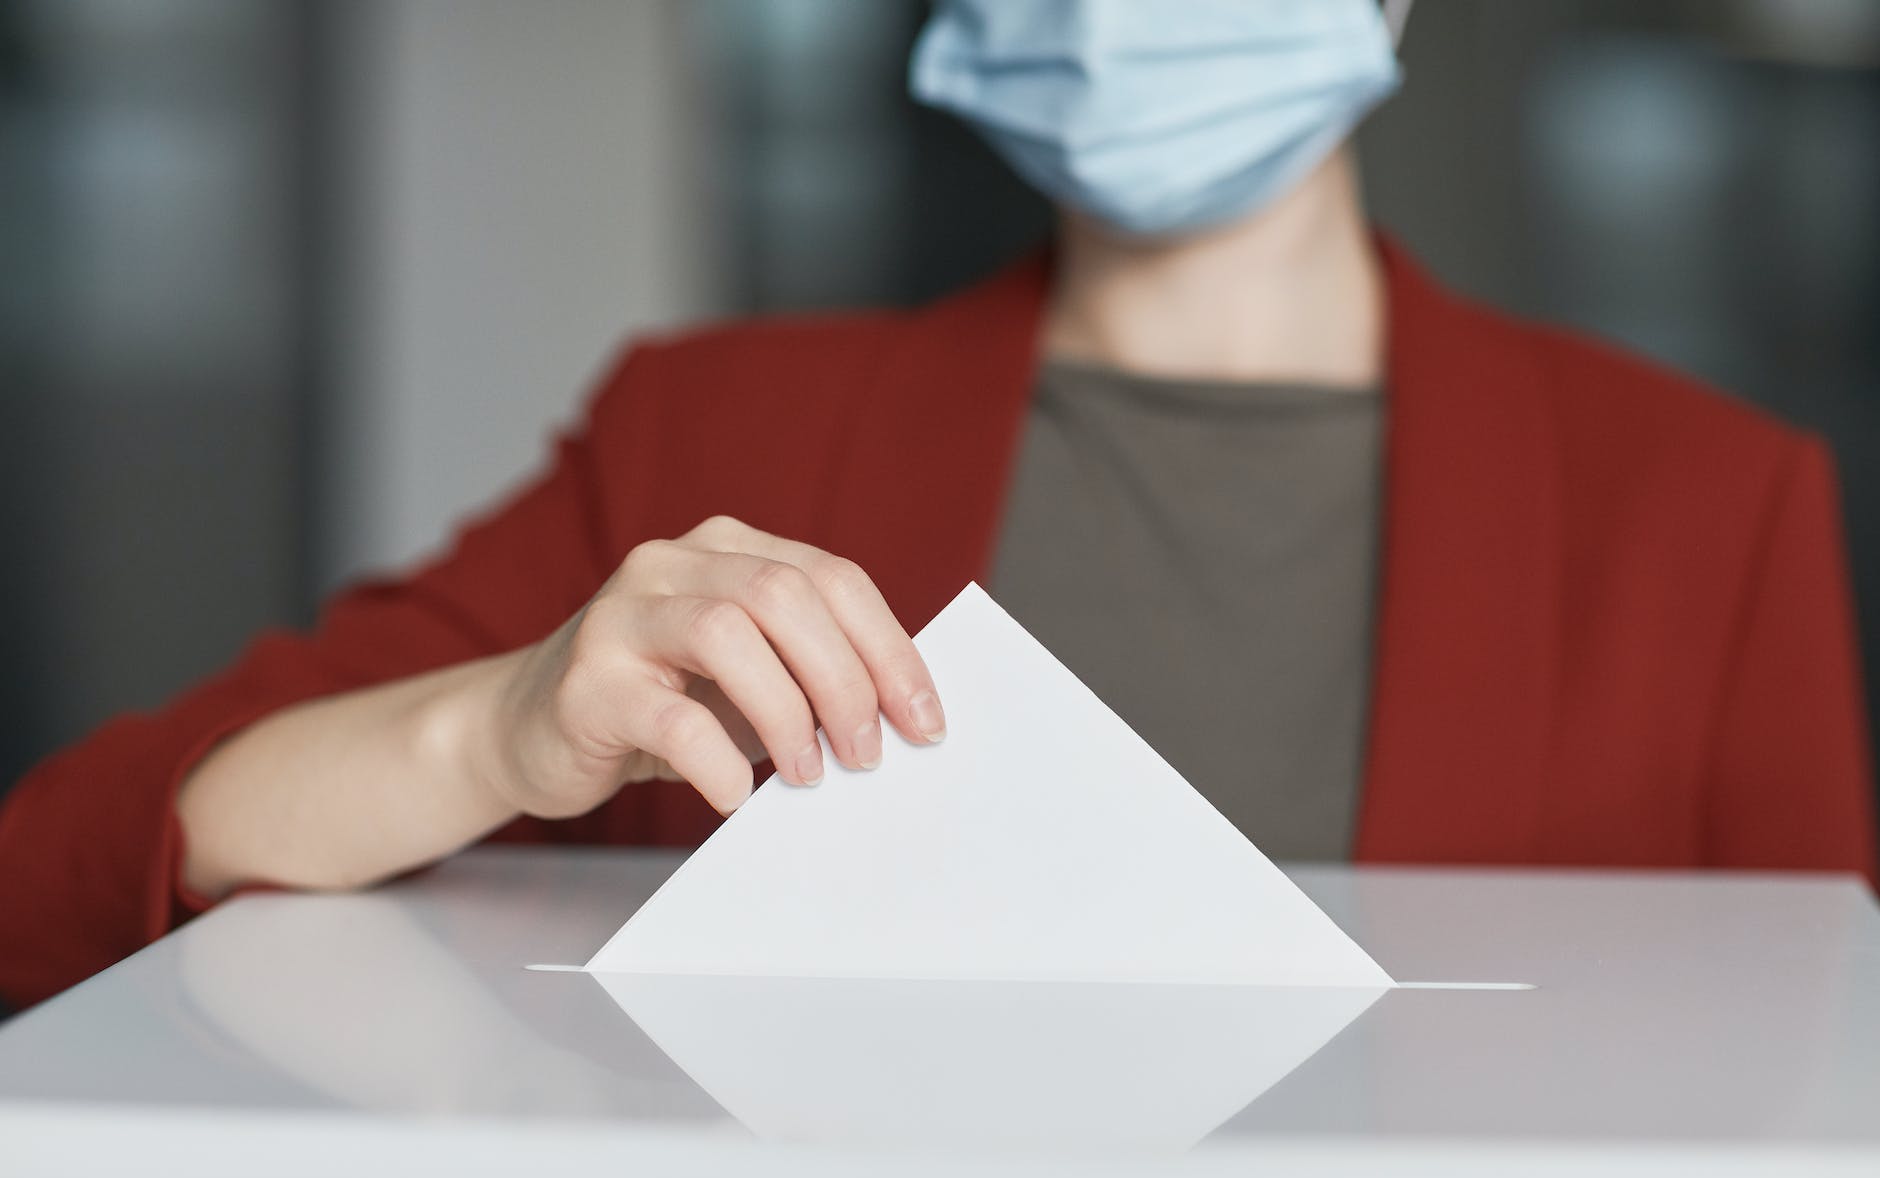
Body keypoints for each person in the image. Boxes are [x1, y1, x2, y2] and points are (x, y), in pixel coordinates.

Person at [1, 0, 1872, 1011]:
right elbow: (65, 874)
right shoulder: (708, 429)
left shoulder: (1709, 507)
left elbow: (1820, 1129)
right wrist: (499, 724)